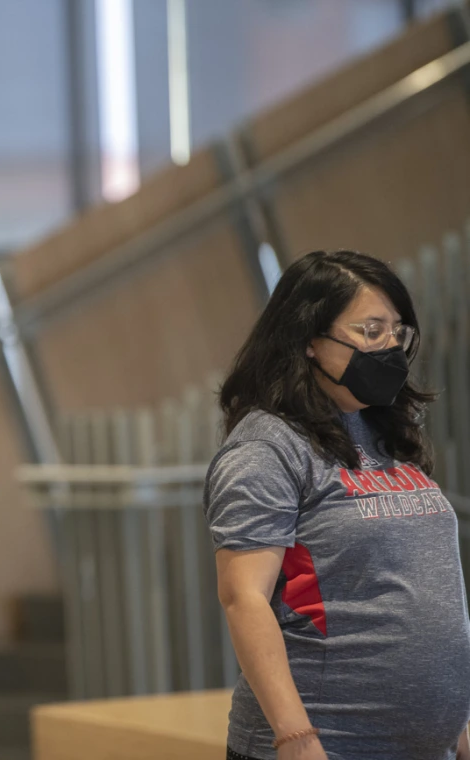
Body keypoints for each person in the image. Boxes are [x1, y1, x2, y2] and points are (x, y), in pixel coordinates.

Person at [205, 250, 470, 760]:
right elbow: (244, 598)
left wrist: (454, 725)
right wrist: (294, 737)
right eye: (371, 330)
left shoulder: (383, 431)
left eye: (397, 331)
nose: (390, 345)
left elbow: (425, 586)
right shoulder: (268, 447)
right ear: (309, 341)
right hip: (330, 745)